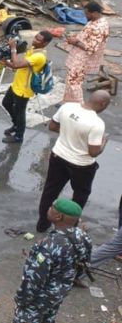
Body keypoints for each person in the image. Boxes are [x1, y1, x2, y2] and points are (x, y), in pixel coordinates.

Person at [13, 199, 91, 323]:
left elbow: (33, 281)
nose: (49, 208)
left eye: (52, 207)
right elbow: (85, 262)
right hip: (58, 294)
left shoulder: (47, 247)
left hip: (39, 298)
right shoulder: (82, 236)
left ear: (58, 217)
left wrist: (22, 300)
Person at [35, 90, 110, 233]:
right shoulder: (97, 123)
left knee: (50, 191)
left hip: (58, 156)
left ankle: (42, 224)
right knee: (80, 195)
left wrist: (68, 132)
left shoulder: (67, 107)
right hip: (81, 165)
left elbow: (52, 126)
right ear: (103, 104)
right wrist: (104, 142)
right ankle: (70, 227)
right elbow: (93, 152)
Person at [0, 31, 53, 144]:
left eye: (38, 39)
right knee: (6, 103)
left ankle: (19, 136)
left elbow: (17, 65)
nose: (34, 40)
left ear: (45, 43)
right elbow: (20, 65)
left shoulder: (39, 56)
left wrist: (13, 48)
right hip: (16, 84)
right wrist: (7, 63)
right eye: (35, 37)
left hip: (24, 89)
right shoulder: (33, 49)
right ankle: (16, 125)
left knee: (20, 113)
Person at [63, 2, 110, 103]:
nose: (86, 16)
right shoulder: (95, 21)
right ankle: (68, 103)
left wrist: (75, 42)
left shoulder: (99, 27)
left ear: (95, 13)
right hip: (78, 56)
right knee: (70, 80)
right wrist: (76, 37)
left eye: (87, 14)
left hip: (83, 60)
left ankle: (78, 105)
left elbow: (92, 48)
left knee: (74, 82)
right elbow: (87, 37)